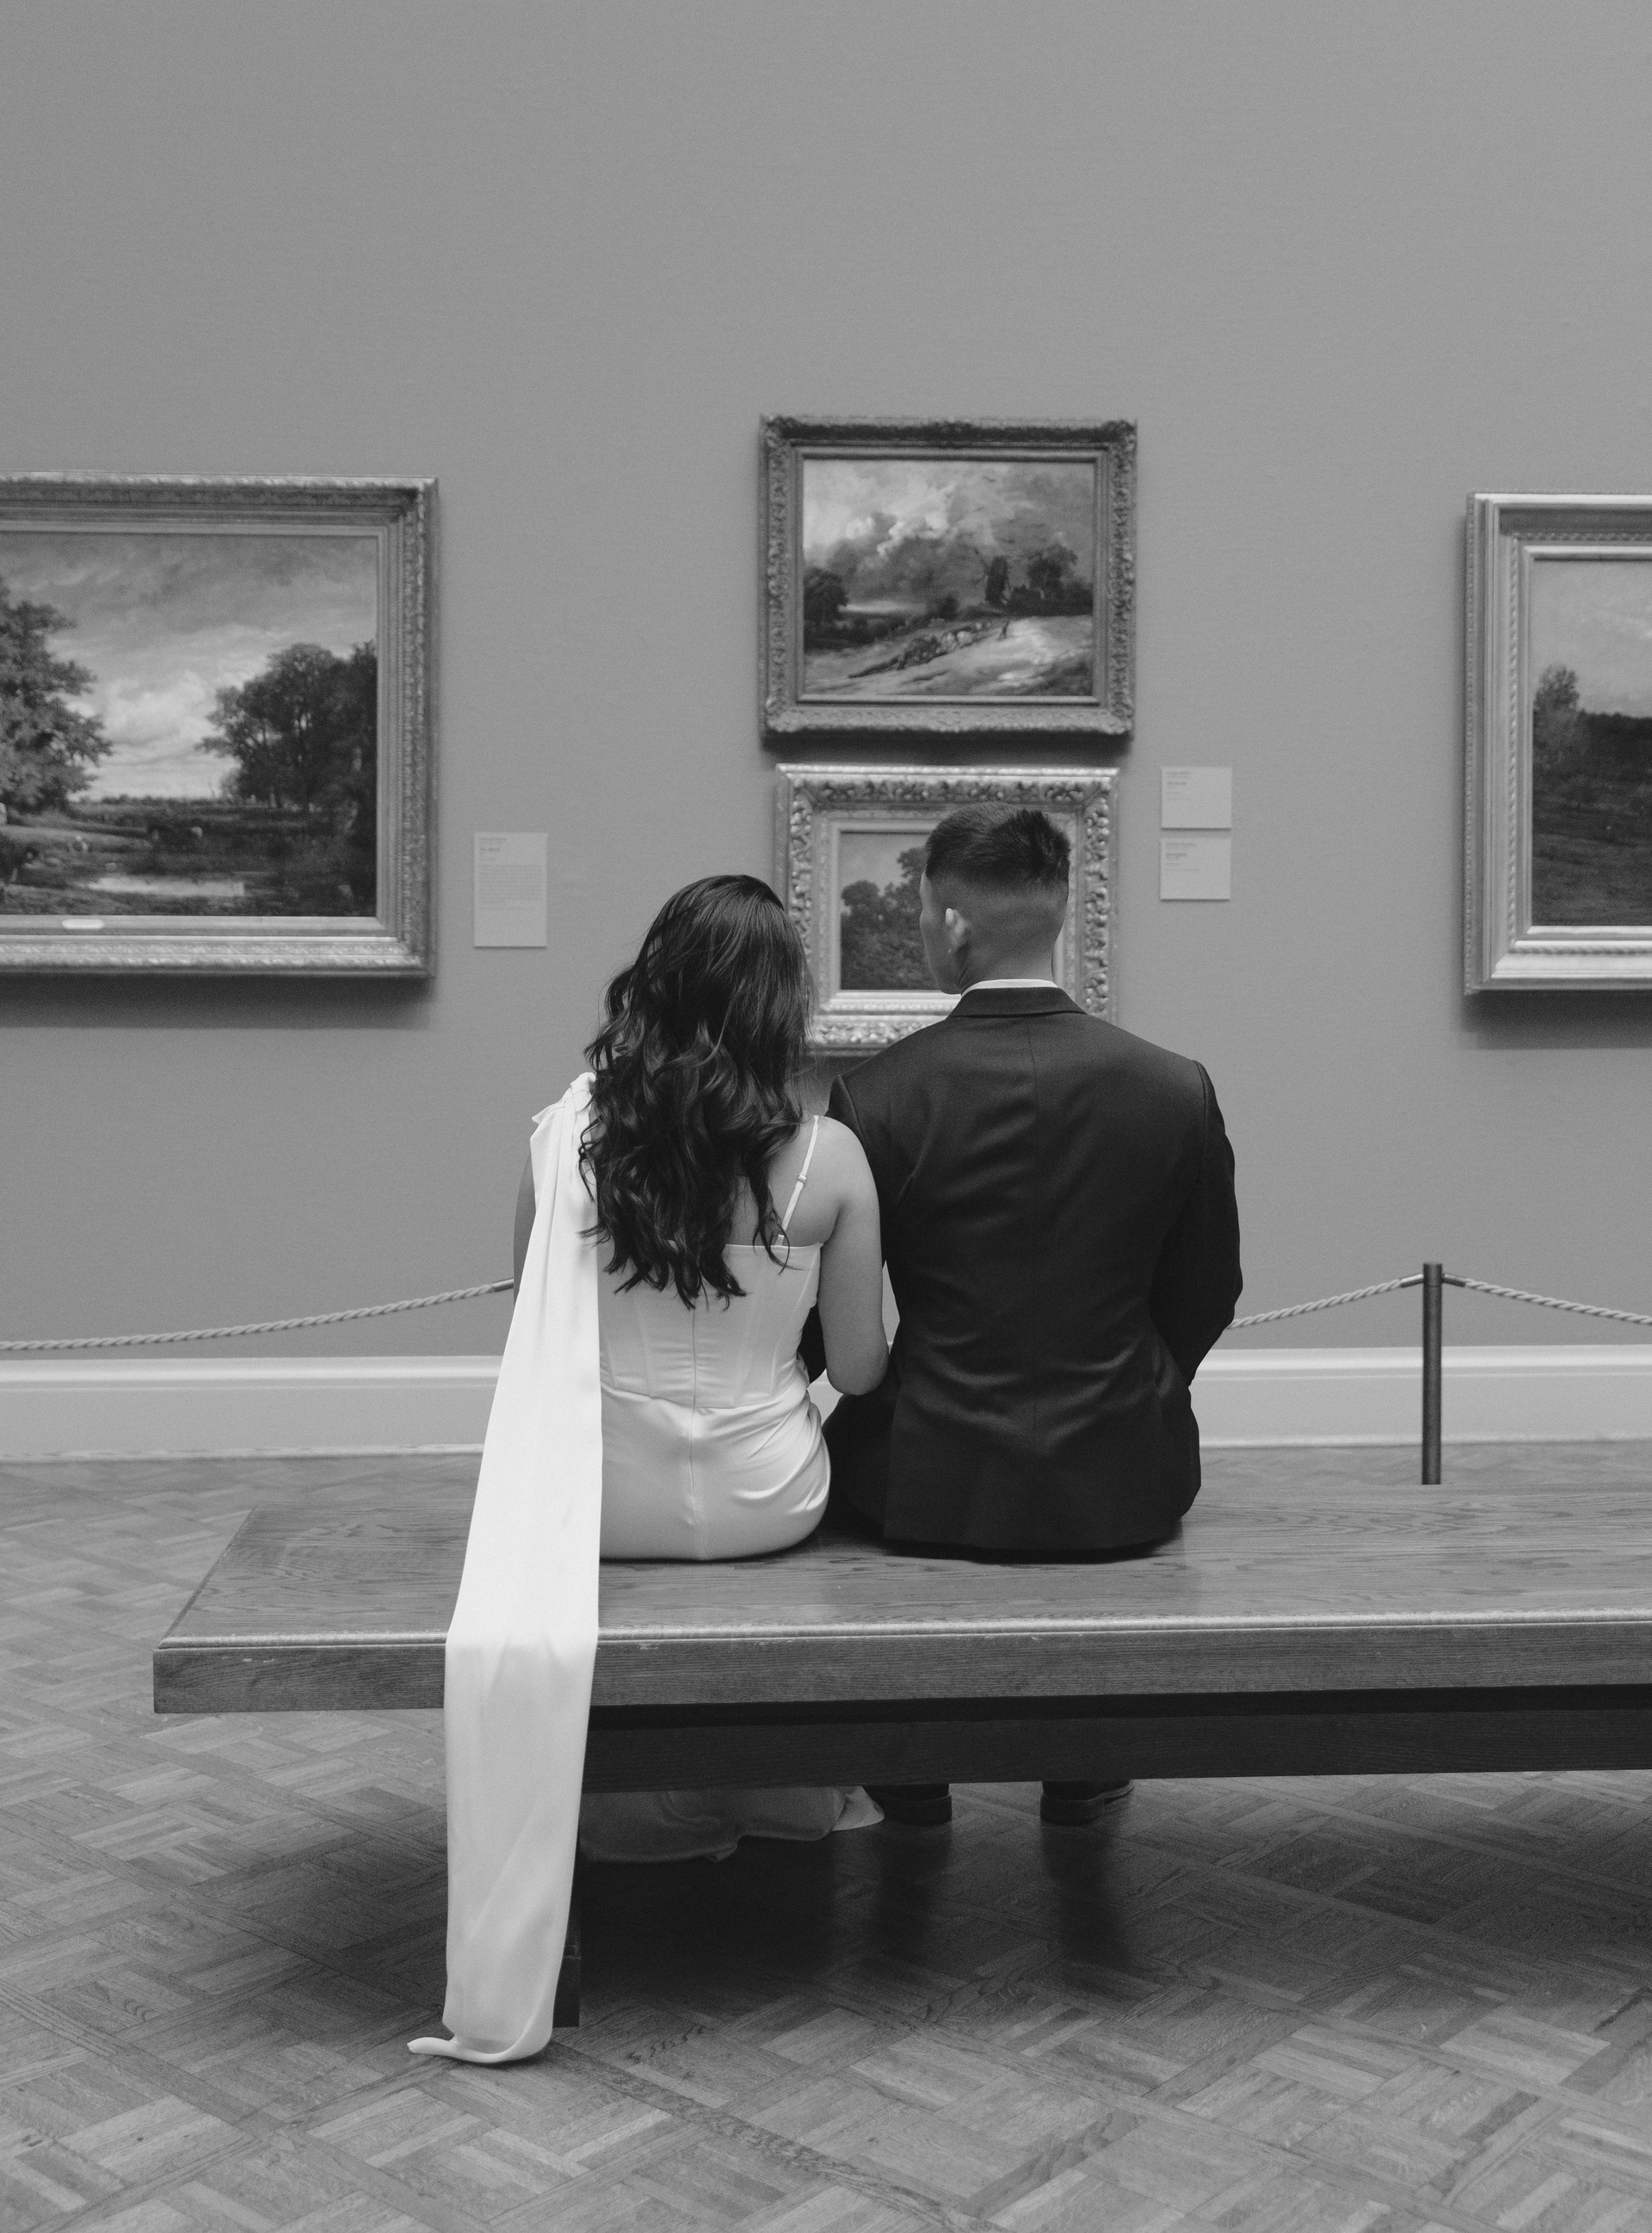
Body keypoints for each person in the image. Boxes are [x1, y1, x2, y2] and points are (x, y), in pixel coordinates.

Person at [823, 804, 1242, 1829]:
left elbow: (832, 1318)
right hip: (1121, 1472)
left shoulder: (878, 1096)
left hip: (927, 1476)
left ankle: (914, 1769)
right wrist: (1131, 1386)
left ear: (953, 922)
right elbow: (1208, 1289)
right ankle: (1083, 1764)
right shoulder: (1174, 1087)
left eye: (922, 911)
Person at [516, 873, 891, 1861]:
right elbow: (859, 1369)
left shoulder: (566, 1144)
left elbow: (533, 1339)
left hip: (601, 1504)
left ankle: (636, 1805)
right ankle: (782, 1789)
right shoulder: (832, 1159)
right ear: (780, 1007)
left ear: (656, 986)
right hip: (770, 1497)